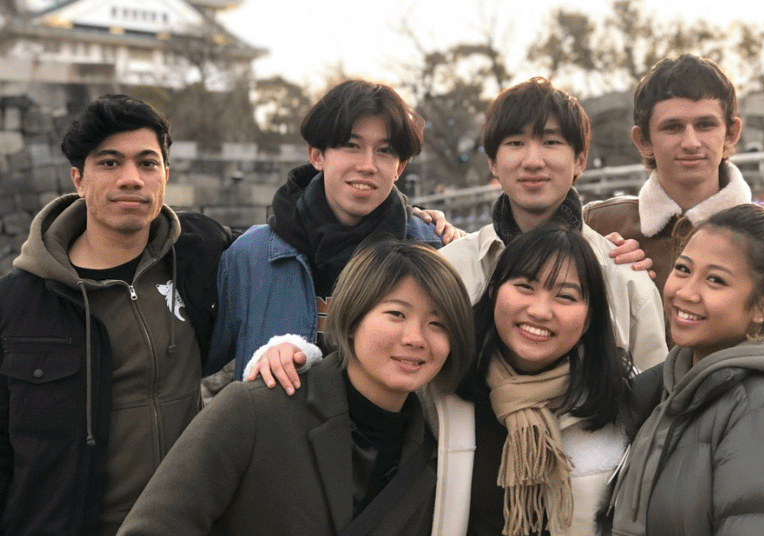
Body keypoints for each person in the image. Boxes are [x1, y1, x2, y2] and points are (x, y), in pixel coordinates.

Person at [116, 239, 475, 536]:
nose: (415, 339)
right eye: (396, 314)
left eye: (438, 324)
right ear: (351, 319)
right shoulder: (257, 409)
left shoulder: (439, 447)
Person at [0, 95, 234, 535]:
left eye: (147, 163)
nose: (131, 179)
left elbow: (289, 241)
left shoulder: (200, 252)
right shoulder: (19, 302)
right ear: (78, 178)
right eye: (109, 163)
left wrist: (404, 223)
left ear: (166, 175)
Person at [208, 79, 460, 387]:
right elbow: (195, 366)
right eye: (351, 146)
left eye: (384, 151)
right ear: (317, 155)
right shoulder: (252, 255)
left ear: (400, 167)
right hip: (280, 433)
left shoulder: (437, 251)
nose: (367, 165)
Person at [610, 203, 764, 536]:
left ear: (763, 307)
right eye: (683, 269)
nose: (686, 292)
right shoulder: (666, 391)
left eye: (715, 280)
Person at [441, 77, 666, 371]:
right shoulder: (450, 271)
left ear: (580, 161)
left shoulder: (625, 278)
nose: (533, 161)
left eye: (551, 142)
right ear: (493, 163)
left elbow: (653, 395)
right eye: (516, 143)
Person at [427, 223, 632, 536]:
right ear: (494, 289)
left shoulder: (626, 398)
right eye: (525, 287)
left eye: (565, 296)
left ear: (591, 316)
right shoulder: (440, 385)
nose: (539, 311)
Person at [584, 54, 751, 294]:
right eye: (672, 127)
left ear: (731, 133)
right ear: (643, 140)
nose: (691, 143)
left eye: (705, 125)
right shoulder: (597, 225)